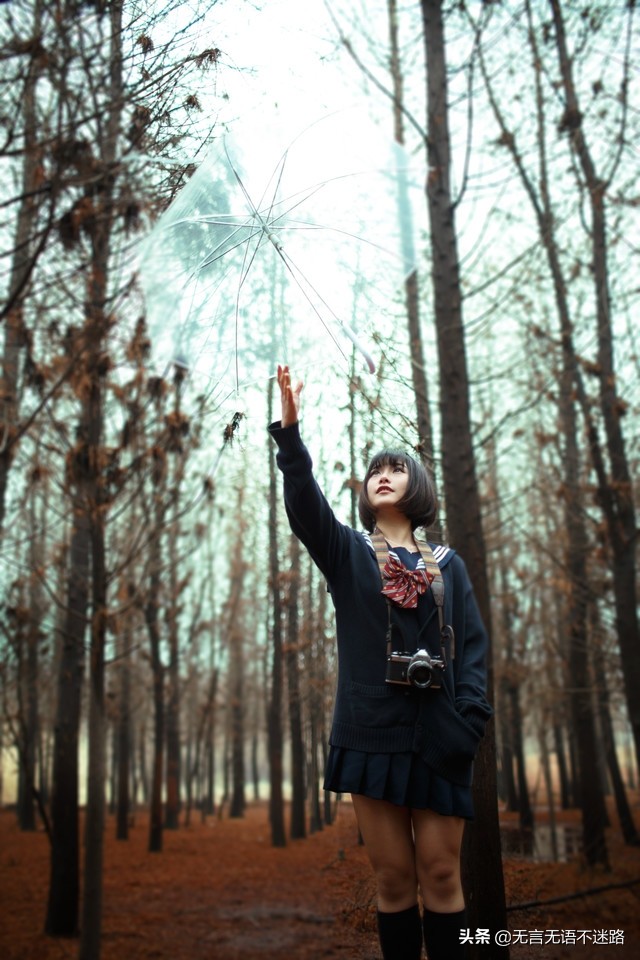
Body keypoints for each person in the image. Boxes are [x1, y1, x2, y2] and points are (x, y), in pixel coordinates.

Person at [269, 365, 493, 960]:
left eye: (397, 469)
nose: (384, 476)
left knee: (443, 876)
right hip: (369, 733)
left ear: (416, 486)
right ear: (365, 491)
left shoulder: (449, 563)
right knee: (393, 880)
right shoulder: (346, 551)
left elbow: (472, 650)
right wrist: (291, 440)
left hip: (441, 732)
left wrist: (469, 720)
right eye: (375, 470)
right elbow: (304, 507)